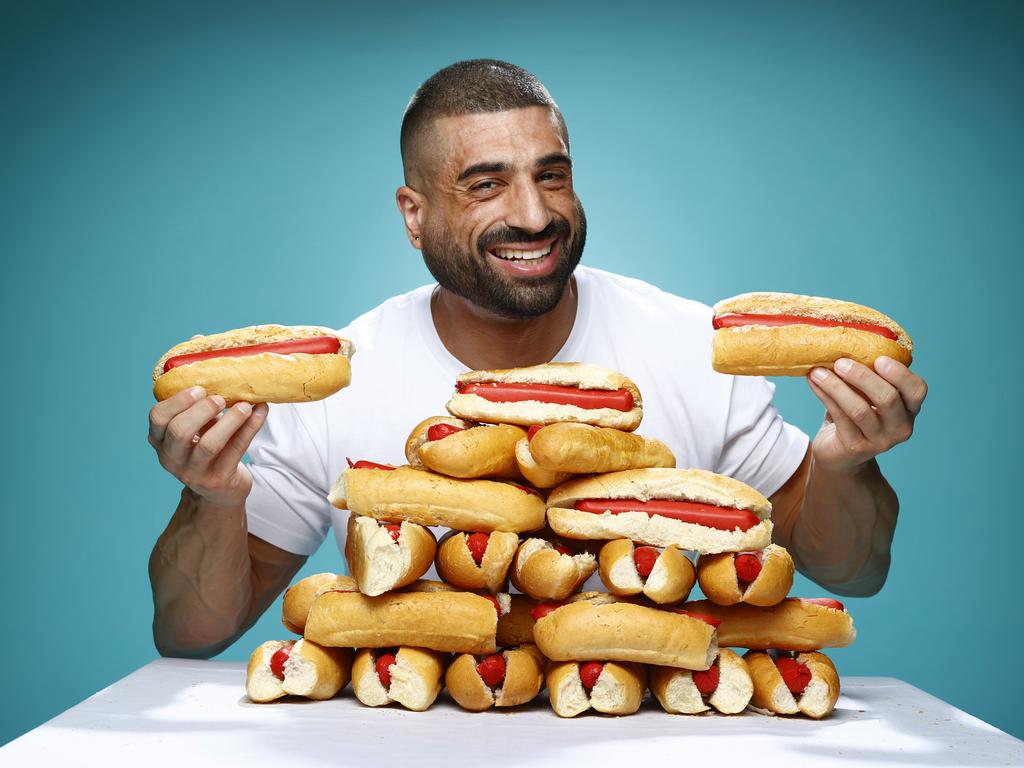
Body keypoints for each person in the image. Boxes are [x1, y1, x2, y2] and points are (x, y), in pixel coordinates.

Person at [147, 60, 928, 658]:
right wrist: (212, 497)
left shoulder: (689, 346)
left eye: (551, 175)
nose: (533, 214)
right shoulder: (348, 374)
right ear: (413, 216)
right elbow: (191, 634)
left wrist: (847, 461)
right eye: (486, 185)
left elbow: (852, 573)